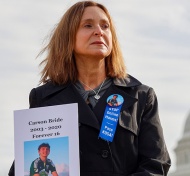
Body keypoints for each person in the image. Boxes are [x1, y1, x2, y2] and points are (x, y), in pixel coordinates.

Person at [9, 1, 171, 175]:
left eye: (105, 26)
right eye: (88, 25)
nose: (99, 31)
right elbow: (25, 165)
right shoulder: (43, 97)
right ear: (68, 37)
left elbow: (156, 164)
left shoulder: (141, 96)